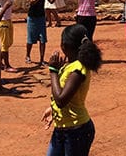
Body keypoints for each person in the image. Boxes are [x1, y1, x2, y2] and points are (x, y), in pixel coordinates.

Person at [41, 24, 102, 156]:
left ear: (65, 46)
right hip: (62, 128)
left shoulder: (78, 69)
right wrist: (53, 109)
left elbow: (61, 100)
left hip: (76, 131)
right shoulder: (70, 66)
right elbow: (66, 97)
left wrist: (53, 71)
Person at [26, 0, 59, 66]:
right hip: (32, 17)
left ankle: (42, 59)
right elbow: (32, 2)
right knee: (30, 39)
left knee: (42, 39)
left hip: (41, 17)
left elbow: (51, 1)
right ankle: (28, 55)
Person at [0, 0, 23, 73]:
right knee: (4, 44)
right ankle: (6, 65)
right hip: (2, 20)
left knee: (8, 43)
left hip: (8, 19)